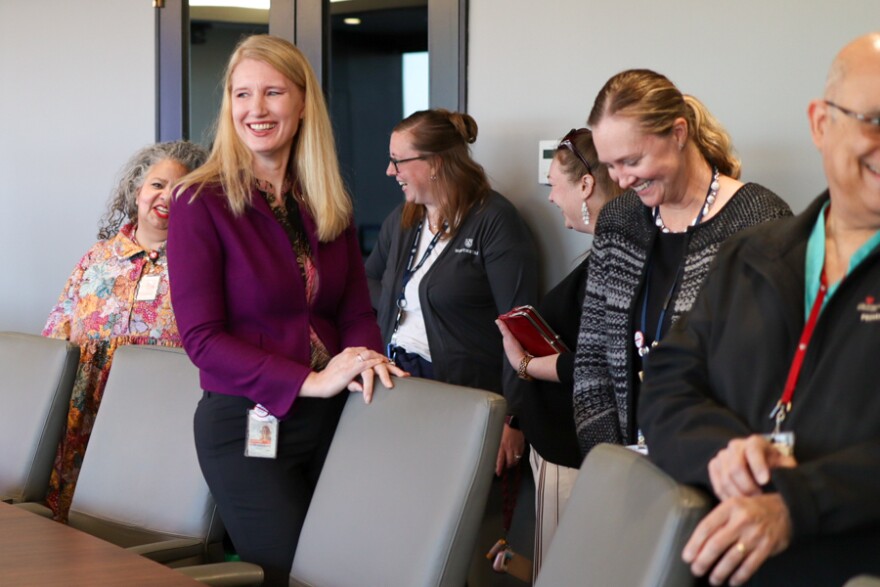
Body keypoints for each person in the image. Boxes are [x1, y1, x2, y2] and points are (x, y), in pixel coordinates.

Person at [639, 32, 880, 587]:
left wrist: (796, 504)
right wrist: (722, 451)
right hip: (718, 563)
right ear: (821, 123)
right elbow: (668, 385)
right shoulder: (753, 253)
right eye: (874, 120)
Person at [166, 35, 403, 586]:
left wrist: (366, 358)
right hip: (246, 423)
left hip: (336, 421)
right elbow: (202, 339)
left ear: (302, 103)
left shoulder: (324, 196)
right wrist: (312, 380)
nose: (257, 109)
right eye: (242, 94)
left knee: (354, 568)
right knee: (297, 577)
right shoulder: (199, 202)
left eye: (273, 92)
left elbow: (353, 308)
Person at [572, 69, 791, 457]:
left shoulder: (762, 223)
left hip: (716, 477)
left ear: (678, 133)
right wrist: (610, 461)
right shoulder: (618, 221)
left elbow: (771, 381)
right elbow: (591, 360)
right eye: (609, 165)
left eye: (631, 160)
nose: (621, 180)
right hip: (624, 475)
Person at [365, 108, 538, 585]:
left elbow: (520, 325)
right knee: (404, 526)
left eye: (400, 161)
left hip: (463, 397)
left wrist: (513, 418)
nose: (390, 171)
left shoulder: (494, 222)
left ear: (437, 162)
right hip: (402, 389)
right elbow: (372, 276)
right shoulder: (405, 220)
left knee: (456, 538)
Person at [42, 140, 207, 521]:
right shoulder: (96, 259)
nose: (167, 196)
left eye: (182, 190)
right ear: (137, 191)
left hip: (161, 416)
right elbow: (57, 333)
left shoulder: (203, 263)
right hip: (84, 415)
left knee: (140, 527)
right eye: (158, 185)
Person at [496, 128, 622, 576]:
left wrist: (526, 364)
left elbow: (601, 360)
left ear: (586, 185)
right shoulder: (609, 254)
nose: (550, 198)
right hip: (564, 444)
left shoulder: (616, 259)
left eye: (555, 184)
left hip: (572, 447)